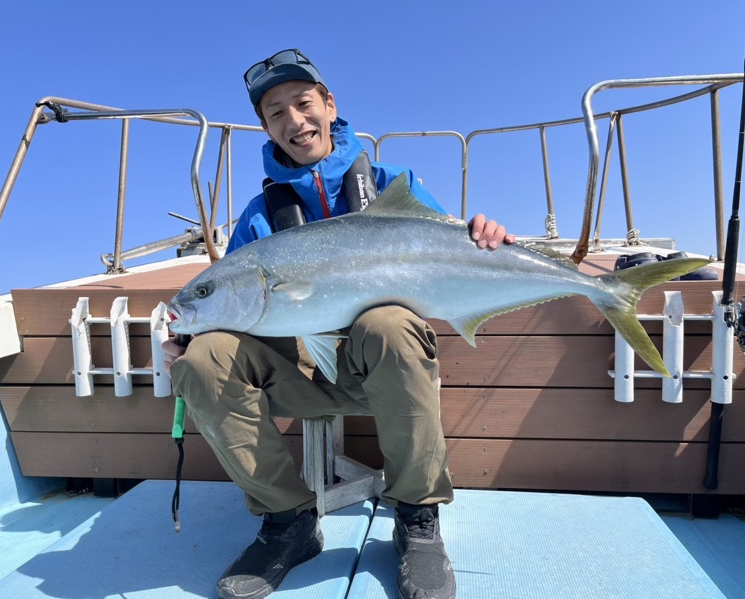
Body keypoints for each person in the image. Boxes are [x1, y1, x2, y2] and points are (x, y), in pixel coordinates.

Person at [163, 49, 514, 599]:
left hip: (385, 370)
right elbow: (227, 302)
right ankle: (289, 522)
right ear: (265, 127)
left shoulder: (395, 184)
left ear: (329, 105)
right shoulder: (259, 216)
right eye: (276, 112)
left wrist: (487, 239)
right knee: (203, 360)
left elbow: (451, 255)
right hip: (297, 379)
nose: (294, 121)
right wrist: (186, 334)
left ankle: (417, 518)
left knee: (391, 322)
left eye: (303, 104)